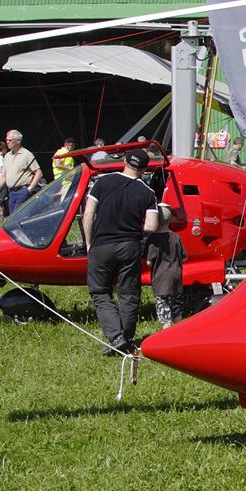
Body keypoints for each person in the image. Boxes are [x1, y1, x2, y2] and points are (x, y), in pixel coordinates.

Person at [83, 148, 159, 355]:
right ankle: (125, 338)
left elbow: (88, 214)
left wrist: (89, 243)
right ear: (144, 169)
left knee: (99, 292)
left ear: (125, 161)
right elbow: (152, 226)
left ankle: (116, 337)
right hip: (129, 246)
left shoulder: (103, 182)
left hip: (101, 245)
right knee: (128, 292)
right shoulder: (147, 192)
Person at [146, 204, 186, 329]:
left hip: (161, 281)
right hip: (176, 279)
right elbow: (185, 257)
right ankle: (181, 335)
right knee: (177, 312)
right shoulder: (176, 237)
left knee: (165, 314)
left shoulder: (152, 239)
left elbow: (148, 262)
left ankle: (167, 336)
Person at [0, 129, 42, 216]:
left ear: (18, 141)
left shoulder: (26, 154)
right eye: (6, 140)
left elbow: (38, 173)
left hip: (23, 191)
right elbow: (3, 176)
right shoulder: (7, 156)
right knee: (12, 218)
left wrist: (29, 189)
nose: (7, 142)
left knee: (18, 216)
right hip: (11, 192)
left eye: (10, 140)